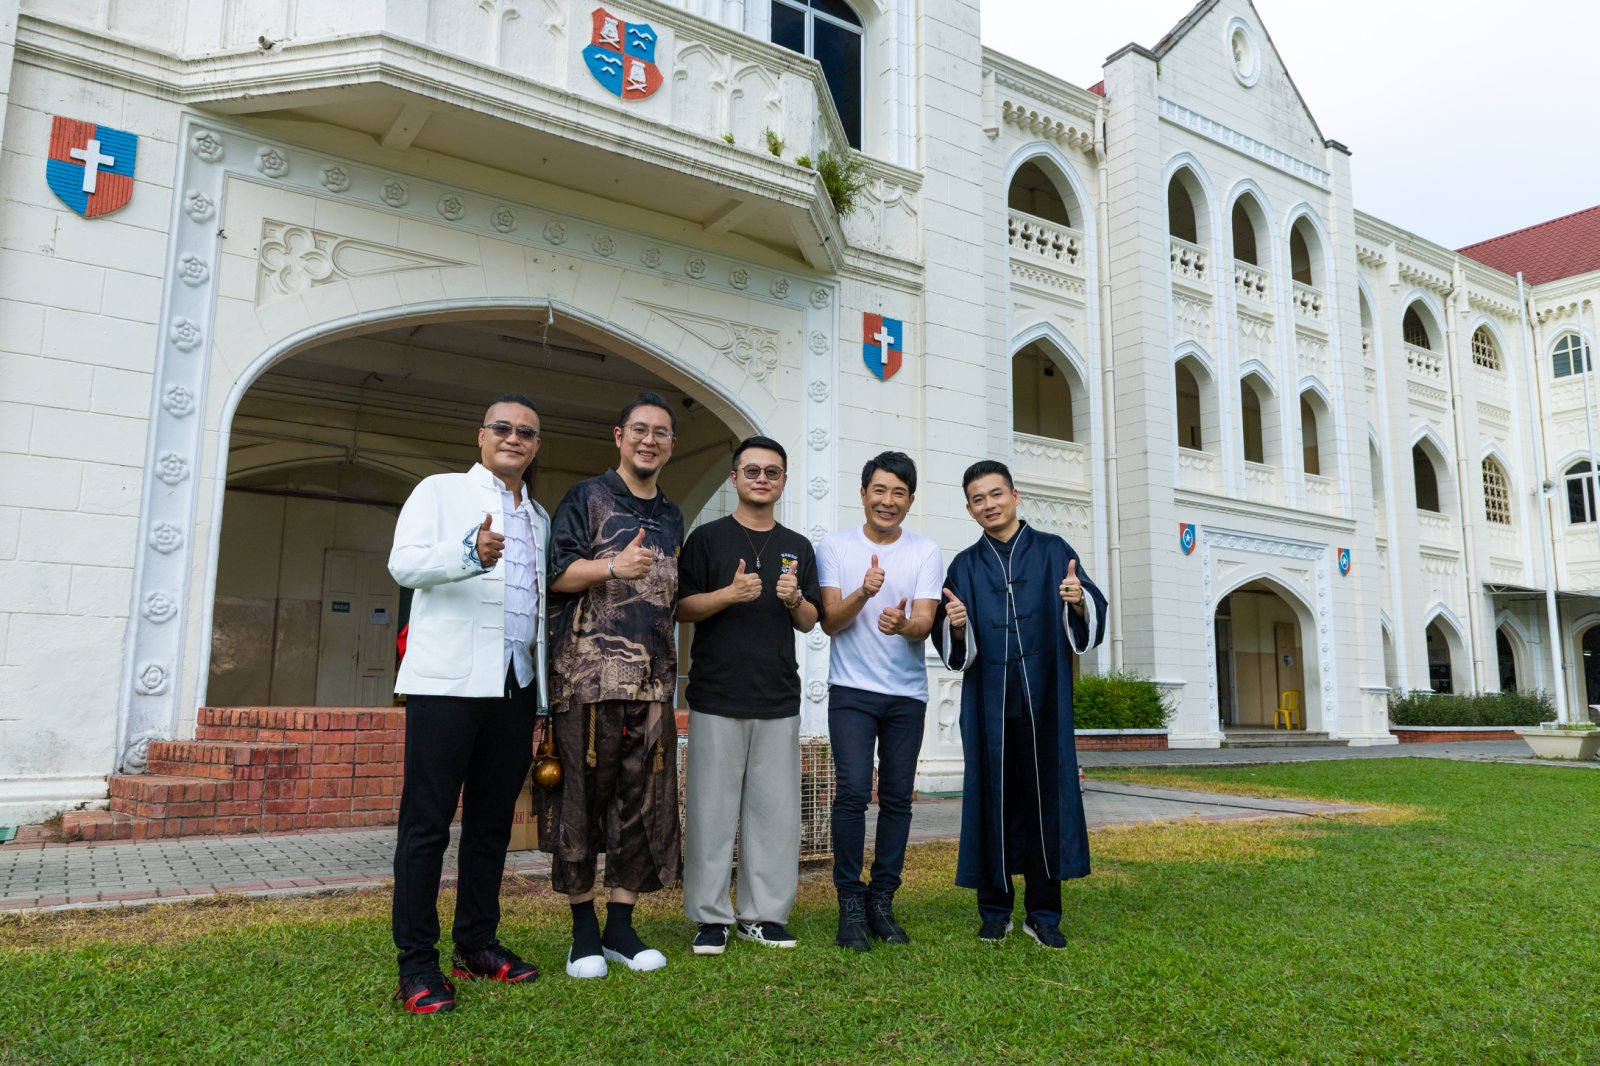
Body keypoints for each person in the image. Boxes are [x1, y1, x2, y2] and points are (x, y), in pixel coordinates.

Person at [388, 394, 550, 1015]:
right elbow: (402, 565)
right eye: (503, 428)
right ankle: (417, 966)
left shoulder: (536, 515)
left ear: (536, 446)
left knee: (491, 826)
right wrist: (467, 554)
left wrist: (541, 695)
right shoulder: (439, 491)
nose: (514, 438)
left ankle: (476, 943)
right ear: (481, 437)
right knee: (426, 826)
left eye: (526, 433)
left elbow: (536, 609)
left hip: (514, 687)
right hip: (446, 684)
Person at [932, 460, 1106, 950]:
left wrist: (1076, 600)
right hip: (989, 707)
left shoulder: (1055, 552)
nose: (989, 505)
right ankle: (995, 909)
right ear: (969, 508)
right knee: (992, 800)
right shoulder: (964, 566)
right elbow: (949, 642)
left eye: (996, 494)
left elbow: (1091, 611)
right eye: (978, 499)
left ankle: (1045, 912)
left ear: (1014, 495)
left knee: (1045, 802)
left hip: (1044, 703)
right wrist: (958, 626)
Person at [542, 391, 685, 979]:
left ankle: (622, 928)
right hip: (587, 682)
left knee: (642, 806)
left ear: (671, 445)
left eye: (661, 433)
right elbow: (556, 573)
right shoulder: (586, 497)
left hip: (653, 685)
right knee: (580, 804)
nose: (650, 439)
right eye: (640, 430)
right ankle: (583, 933)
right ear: (619, 436)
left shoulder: (673, 515)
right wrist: (611, 568)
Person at [677, 437, 822, 956]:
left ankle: (762, 916)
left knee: (774, 815)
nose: (762, 479)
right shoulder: (707, 540)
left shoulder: (799, 546)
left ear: (784, 481)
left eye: (773, 472)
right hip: (716, 694)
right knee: (711, 814)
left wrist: (794, 599)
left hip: (777, 697)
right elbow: (682, 608)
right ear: (735, 478)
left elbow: (811, 621)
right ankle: (711, 918)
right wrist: (729, 595)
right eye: (753, 470)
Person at [817, 452, 943, 951]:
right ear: (863, 492)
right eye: (879, 490)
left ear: (910, 501)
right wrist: (864, 595)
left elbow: (924, 624)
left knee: (895, 798)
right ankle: (850, 899)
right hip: (851, 692)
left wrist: (902, 625)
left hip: (906, 696)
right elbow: (830, 621)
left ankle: (882, 898)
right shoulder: (836, 546)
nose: (887, 501)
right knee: (850, 792)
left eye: (898, 493)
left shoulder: (925, 551)